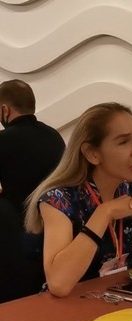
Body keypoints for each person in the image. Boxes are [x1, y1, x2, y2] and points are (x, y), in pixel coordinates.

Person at [25, 102, 132, 297]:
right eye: (123, 142)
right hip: (66, 306)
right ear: (92, 154)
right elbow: (58, 284)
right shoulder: (59, 200)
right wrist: (105, 212)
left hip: (115, 299)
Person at [0, 79, 65, 223]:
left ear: (5, 110)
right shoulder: (54, 135)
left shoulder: (3, 139)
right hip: (57, 221)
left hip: (20, 225)